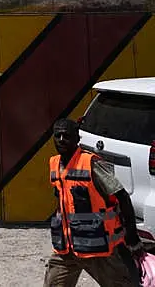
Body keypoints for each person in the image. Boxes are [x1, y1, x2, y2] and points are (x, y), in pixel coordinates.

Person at [44, 118, 143, 287]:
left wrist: (132, 237)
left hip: (98, 249)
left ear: (77, 139)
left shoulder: (91, 164)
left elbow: (123, 197)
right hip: (67, 250)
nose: (61, 140)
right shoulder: (54, 164)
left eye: (66, 136)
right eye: (57, 135)